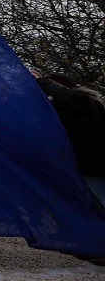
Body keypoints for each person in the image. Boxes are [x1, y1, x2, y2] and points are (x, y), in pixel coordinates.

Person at [34, 71, 105, 206]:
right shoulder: (57, 111)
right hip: (80, 170)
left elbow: (73, 98)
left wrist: (42, 81)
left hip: (96, 169)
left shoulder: (84, 102)